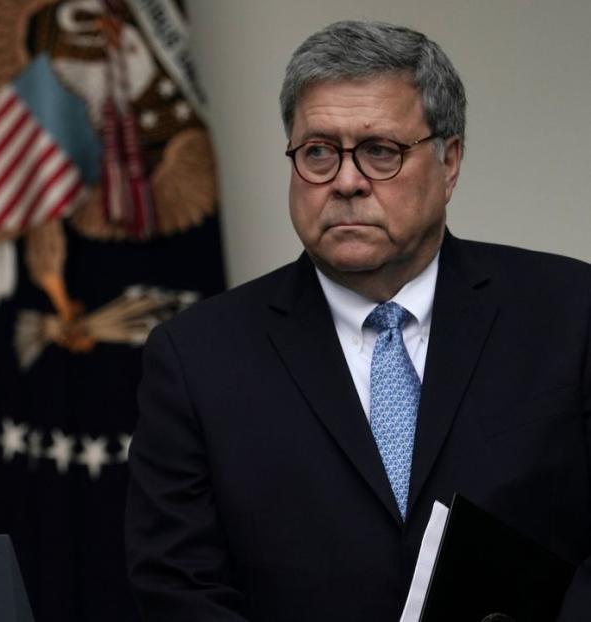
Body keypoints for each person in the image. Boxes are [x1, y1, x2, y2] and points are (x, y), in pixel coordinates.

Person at [125, 20, 591, 622]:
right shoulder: (196, 358)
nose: (345, 181)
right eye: (318, 152)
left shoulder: (569, 312)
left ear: (449, 163)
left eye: (380, 152)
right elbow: (176, 586)